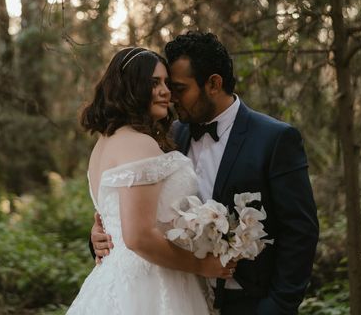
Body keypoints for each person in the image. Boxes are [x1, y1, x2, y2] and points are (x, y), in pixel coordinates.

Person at [91, 32, 319, 315]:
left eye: (179, 88)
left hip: (248, 303)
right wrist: (102, 237)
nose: (171, 97)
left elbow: (301, 231)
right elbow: (137, 211)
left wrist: (277, 307)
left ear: (213, 83)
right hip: (174, 295)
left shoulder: (274, 139)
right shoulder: (167, 136)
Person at [67, 47, 235, 315]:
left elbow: (118, 218)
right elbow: (138, 236)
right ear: (130, 87)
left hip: (120, 279)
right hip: (152, 284)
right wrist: (201, 265)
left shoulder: (106, 141)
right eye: (154, 83)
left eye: (167, 83)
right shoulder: (139, 144)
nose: (166, 92)